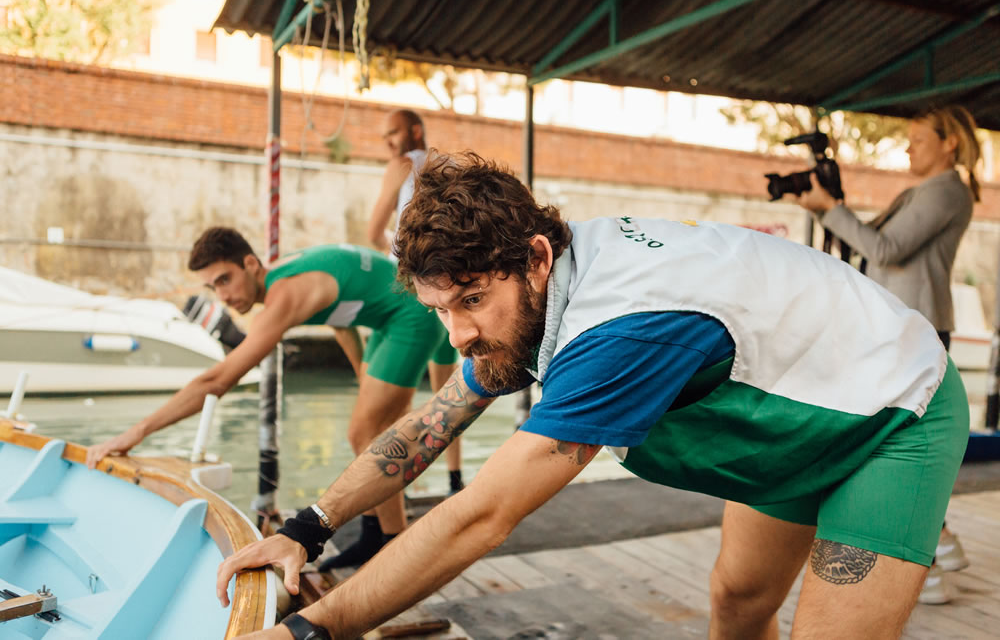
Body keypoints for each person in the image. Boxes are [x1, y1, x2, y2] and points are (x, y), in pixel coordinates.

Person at [218, 153, 968, 640]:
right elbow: (432, 420)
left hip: (889, 411)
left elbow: (482, 516)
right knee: (738, 601)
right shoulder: (536, 296)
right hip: (796, 402)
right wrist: (309, 527)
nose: (458, 335)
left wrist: (309, 630)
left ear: (535, 258)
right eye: (441, 310)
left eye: (471, 301)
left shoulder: (619, 330)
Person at [86, 227, 458, 569]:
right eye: (212, 288)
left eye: (225, 280)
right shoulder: (289, 279)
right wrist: (363, 371)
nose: (224, 296)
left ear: (250, 264)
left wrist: (137, 432)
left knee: (366, 434)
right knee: (370, 430)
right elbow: (341, 315)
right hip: (387, 312)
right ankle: (373, 536)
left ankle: (394, 552)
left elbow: (216, 381)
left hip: (410, 311)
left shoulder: (283, 298)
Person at [793, 105, 982, 604]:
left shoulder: (946, 190)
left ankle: (928, 562)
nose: (908, 146)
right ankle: (940, 544)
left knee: (899, 438)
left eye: (919, 138)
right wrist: (824, 206)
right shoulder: (925, 191)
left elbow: (887, 248)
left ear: (950, 144)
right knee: (900, 433)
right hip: (904, 323)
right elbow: (872, 241)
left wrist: (832, 211)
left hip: (914, 327)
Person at [364, 108, 465, 495]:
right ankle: (455, 482)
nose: (388, 143)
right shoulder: (449, 164)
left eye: (393, 133)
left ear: (415, 131)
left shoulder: (402, 165)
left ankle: (396, 487)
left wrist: (402, 254)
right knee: (450, 397)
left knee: (397, 399)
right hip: (448, 289)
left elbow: (374, 232)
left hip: (411, 291)